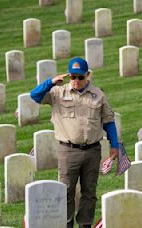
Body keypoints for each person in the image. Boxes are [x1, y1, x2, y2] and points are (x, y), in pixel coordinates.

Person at [30, 57, 119, 228]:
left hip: (93, 151)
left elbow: (108, 121)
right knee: (65, 192)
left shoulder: (98, 95)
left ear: (88, 75)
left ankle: (85, 225)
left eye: (80, 77)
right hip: (68, 151)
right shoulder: (58, 93)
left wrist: (114, 146)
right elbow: (34, 95)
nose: (76, 81)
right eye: (73, 77)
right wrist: (50, 82)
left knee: (89, 193)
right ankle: (66, 225)